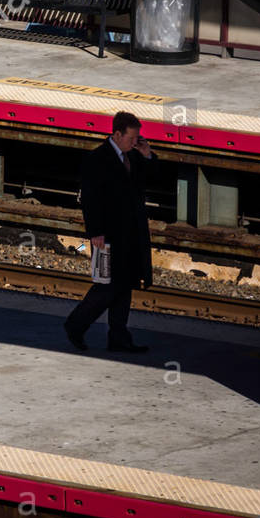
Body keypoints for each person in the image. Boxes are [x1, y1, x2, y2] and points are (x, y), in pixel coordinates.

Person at [63, 111, 154, 353]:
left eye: (137, 138)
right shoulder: (97, 159)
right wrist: (95, 231)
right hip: (107, 235)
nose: (135, 142)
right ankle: (75, 324)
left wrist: (147, 157)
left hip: (129, 234)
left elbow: (143, 186)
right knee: (107, 286)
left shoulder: (132, 157)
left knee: (125, 285)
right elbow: (91, 199)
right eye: (132, 138)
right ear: (117, 134)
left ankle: (119, 337)